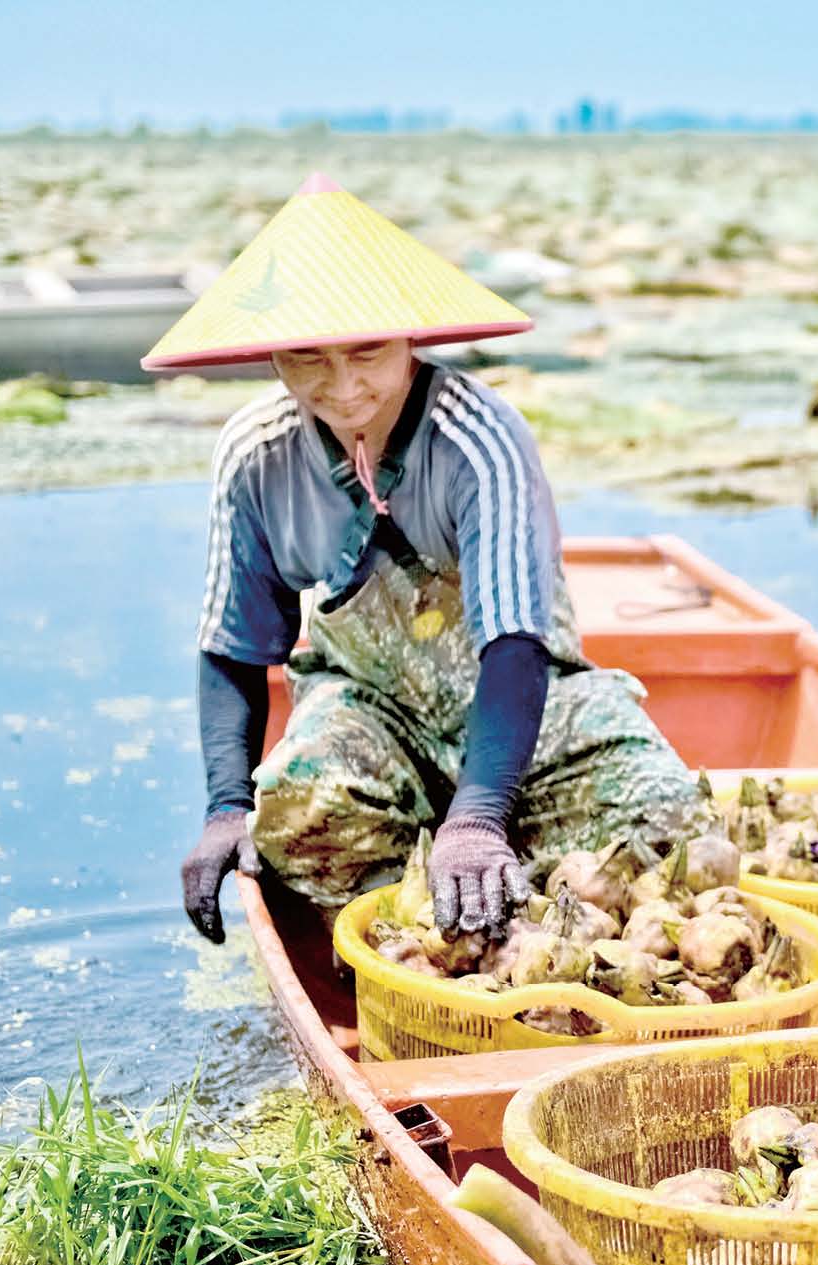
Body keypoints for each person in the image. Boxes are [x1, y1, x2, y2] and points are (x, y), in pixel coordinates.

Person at [156, 174, 702, 943]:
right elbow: (235, 648)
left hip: (525, 703)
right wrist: (223, 809)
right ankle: (406, 935)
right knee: (296, 809)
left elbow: (516, 646)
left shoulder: (479, 439)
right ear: (270, 352)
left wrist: (478, 816)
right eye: (307, 358)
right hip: (370, 707)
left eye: (368, 351)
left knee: (670, 817)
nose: (344, 388)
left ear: (412, 338)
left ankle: (508, 893)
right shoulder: (257, 455)